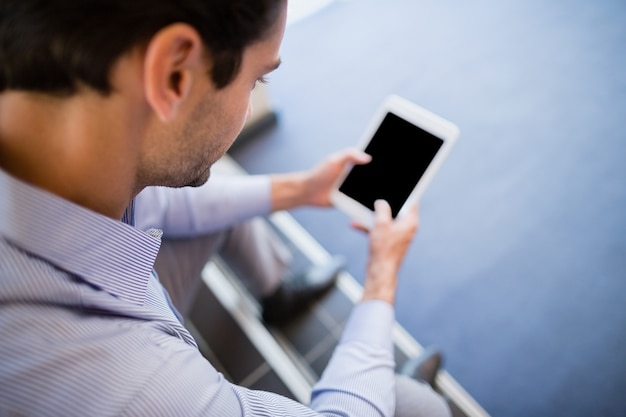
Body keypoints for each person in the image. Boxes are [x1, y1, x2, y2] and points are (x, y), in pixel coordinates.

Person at [0, 0, 451, 416]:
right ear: (174, 72)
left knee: (211, 184)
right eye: (257, 78)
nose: (253, 94)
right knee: (414, 404)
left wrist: (304, 188)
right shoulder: (134, 384)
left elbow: (162, 203)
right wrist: (381, 276)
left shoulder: (55, 157)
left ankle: (276, 294)